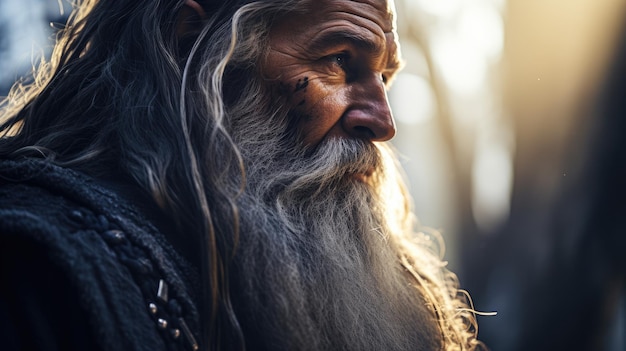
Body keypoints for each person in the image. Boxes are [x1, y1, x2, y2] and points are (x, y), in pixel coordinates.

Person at [0, 0, 484, 350]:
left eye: (385, 78)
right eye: (339, 60)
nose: (383, 122)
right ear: (189, 43)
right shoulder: (35, 271)